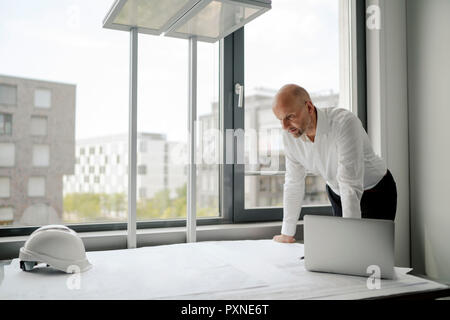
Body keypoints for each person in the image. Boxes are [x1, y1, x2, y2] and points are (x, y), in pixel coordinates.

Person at [271, 84, 397, 243]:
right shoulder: (290, 136)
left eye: (290, 116)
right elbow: (293, 182)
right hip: (337, 192)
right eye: (280, 120)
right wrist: (287, 233)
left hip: (376, 192)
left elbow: (350, 183)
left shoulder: (344, 123)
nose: (285, 126)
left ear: (309, 107)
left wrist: (350, 238)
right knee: (346, 258)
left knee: (373, 256)